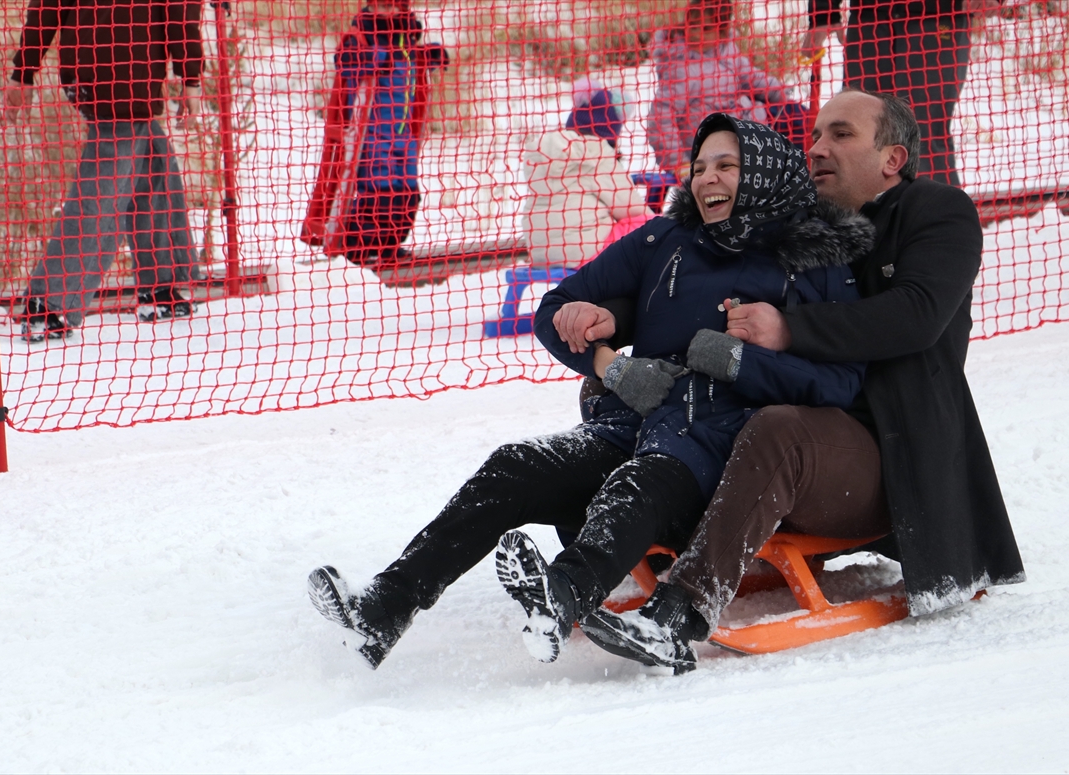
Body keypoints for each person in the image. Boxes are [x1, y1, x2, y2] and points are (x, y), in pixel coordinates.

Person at [307, 114, 877, 670]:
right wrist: (611, 366)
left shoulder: (815, 259)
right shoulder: (665, 238)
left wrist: (742, 362)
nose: (707, 179)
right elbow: (554, 308)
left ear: (763, 175)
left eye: (727, 165)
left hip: (725, 449)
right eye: (700, 166)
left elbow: (843, 381)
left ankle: (562, 597)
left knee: (638, 483)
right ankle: (384, 606)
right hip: (639, 423)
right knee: (517, 464)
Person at [564, 89, 1025, 674]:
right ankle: (620, 550)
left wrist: (789, 329)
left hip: (882, 446)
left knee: (778, 429)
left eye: (841, 134)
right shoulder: (797, 214)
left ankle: (678, 614)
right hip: (777, 406)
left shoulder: (937, 211)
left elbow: (917, 314)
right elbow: (712, 283)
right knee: (616, 390)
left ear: (893, 159)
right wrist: (620, 322)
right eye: (814, 137)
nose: (818, 148)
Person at [6, 0, 205, 343]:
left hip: (85, 70)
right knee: (104, 188)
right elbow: (179, 9)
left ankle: (162, 287)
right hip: (130, 73)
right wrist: (190, 76)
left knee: (151, 161)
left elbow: (47, 5)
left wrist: (25, 69)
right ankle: (49, 302)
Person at [300, 0, 448, 269]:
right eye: (382, 6)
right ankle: (354, 250)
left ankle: (390, 246)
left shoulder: (406, 39)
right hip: (372, 133)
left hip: (404, 133)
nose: (388, 12)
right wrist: (373, 60)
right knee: (378, 193)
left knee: (409, 193)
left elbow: (412, 63)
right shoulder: (361, 36)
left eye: (394, 7)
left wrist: (430, 54)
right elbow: (345, 62)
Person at [802, 0, 1001, 186]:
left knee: (924, 132)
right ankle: (857, 216)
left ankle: (935, 219)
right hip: (871, 18)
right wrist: (823, 13)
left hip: (938, 16)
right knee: (858, 127)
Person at [646, 0, 805, 184]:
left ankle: (801, 178)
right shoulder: (682, 67)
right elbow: (661, 117)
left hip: (745, 127)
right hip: (713, 142)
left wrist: (779, 92)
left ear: (721, 31)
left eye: (706, 28)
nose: (696, 33)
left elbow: (752, 77)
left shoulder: (726, 53)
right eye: (692, 25)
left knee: (796, 115)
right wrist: (678, 163)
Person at [522, 78, 651, 269]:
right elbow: (631, 207)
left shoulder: (545, 152)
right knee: (648, 228)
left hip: (540, 253)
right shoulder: (596, 153)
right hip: (584, 252)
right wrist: (660, 224)